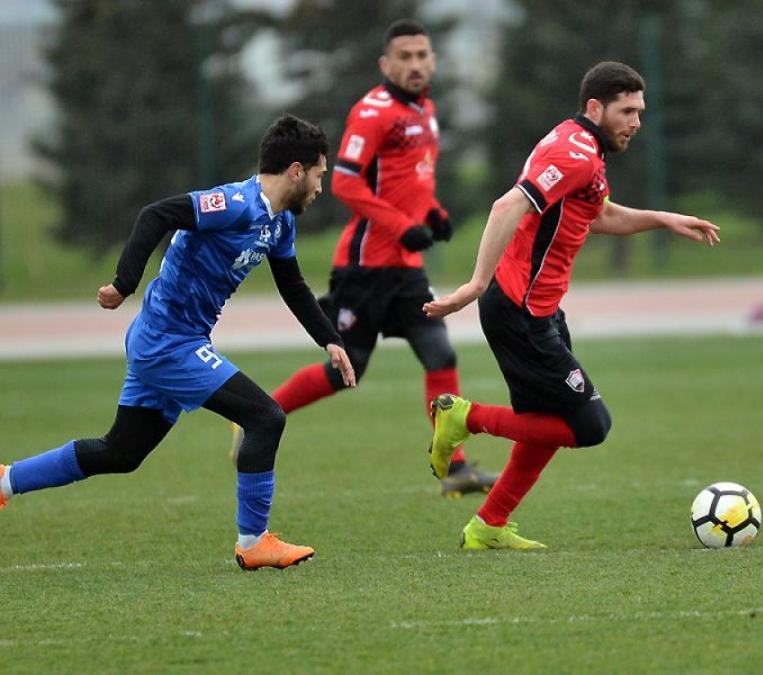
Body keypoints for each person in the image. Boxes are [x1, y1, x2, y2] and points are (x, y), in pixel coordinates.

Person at [0, 114, 356, 570]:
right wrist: (124, 284)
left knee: (121, 452)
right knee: (265, 417)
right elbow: (157, 214)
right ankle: (253, 542)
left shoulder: (280, 223)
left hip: (171, 340)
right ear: (295, 171)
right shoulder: (236, 203)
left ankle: (6, 481)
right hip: (167, 341)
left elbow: (293, 285)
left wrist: (330, 339)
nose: (321, 187)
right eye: (319, 175)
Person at [423, 62, 720, 550]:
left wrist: (664, 219)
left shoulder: (581, 145)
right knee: (589, 425)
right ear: (595, 107)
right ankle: (462, 418)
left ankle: (488, 525)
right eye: (627, 111)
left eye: (640, 112)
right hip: (520, 311)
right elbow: (507, 206)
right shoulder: (576, 154)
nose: (636, 123)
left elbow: (598, 215)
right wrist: (475, 284)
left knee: (546, 424)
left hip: (538, 310)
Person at [247, 19, 497, 497]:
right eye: (405, 56)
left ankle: (455, 468)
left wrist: (433, 212)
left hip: (406, 270)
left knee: (440, 354)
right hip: (364, 267)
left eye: (422, 55)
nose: (415, 64)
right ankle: (256, 414)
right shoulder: (372, 111)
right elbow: (345, 182)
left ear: (433, 61)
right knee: (348, 369)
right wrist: (402, 226)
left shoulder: (426, 110)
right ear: (386, 64)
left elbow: (410, 178)